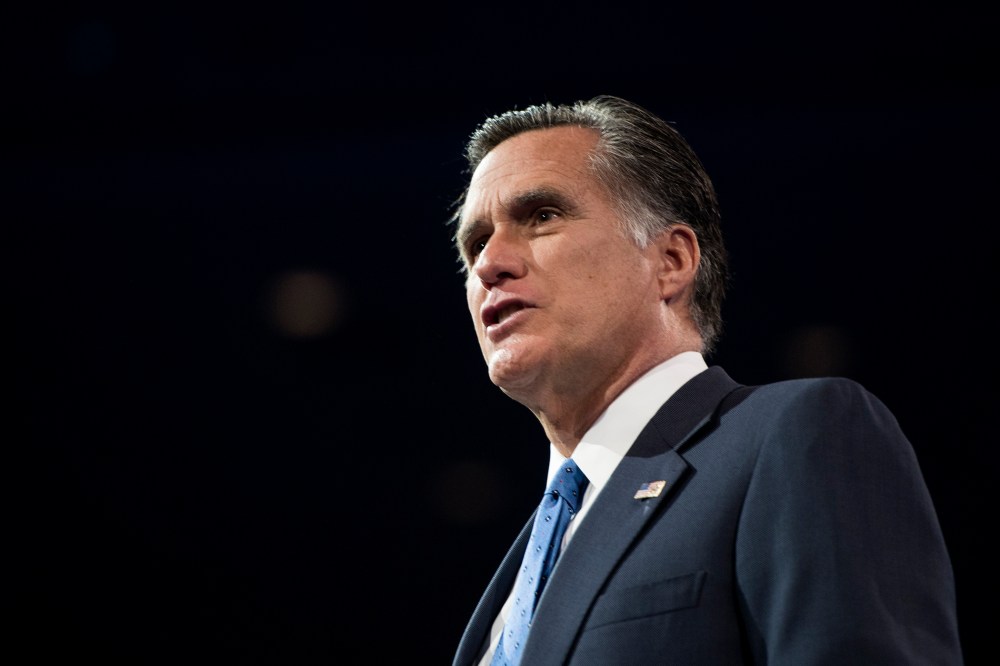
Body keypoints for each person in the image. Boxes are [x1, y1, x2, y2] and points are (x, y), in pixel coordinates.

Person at [447, 94, 963, 665]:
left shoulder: (797, 436)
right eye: (476, 244)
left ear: (670, 261)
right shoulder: (530, 561)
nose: (489, 263)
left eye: (543, 216)